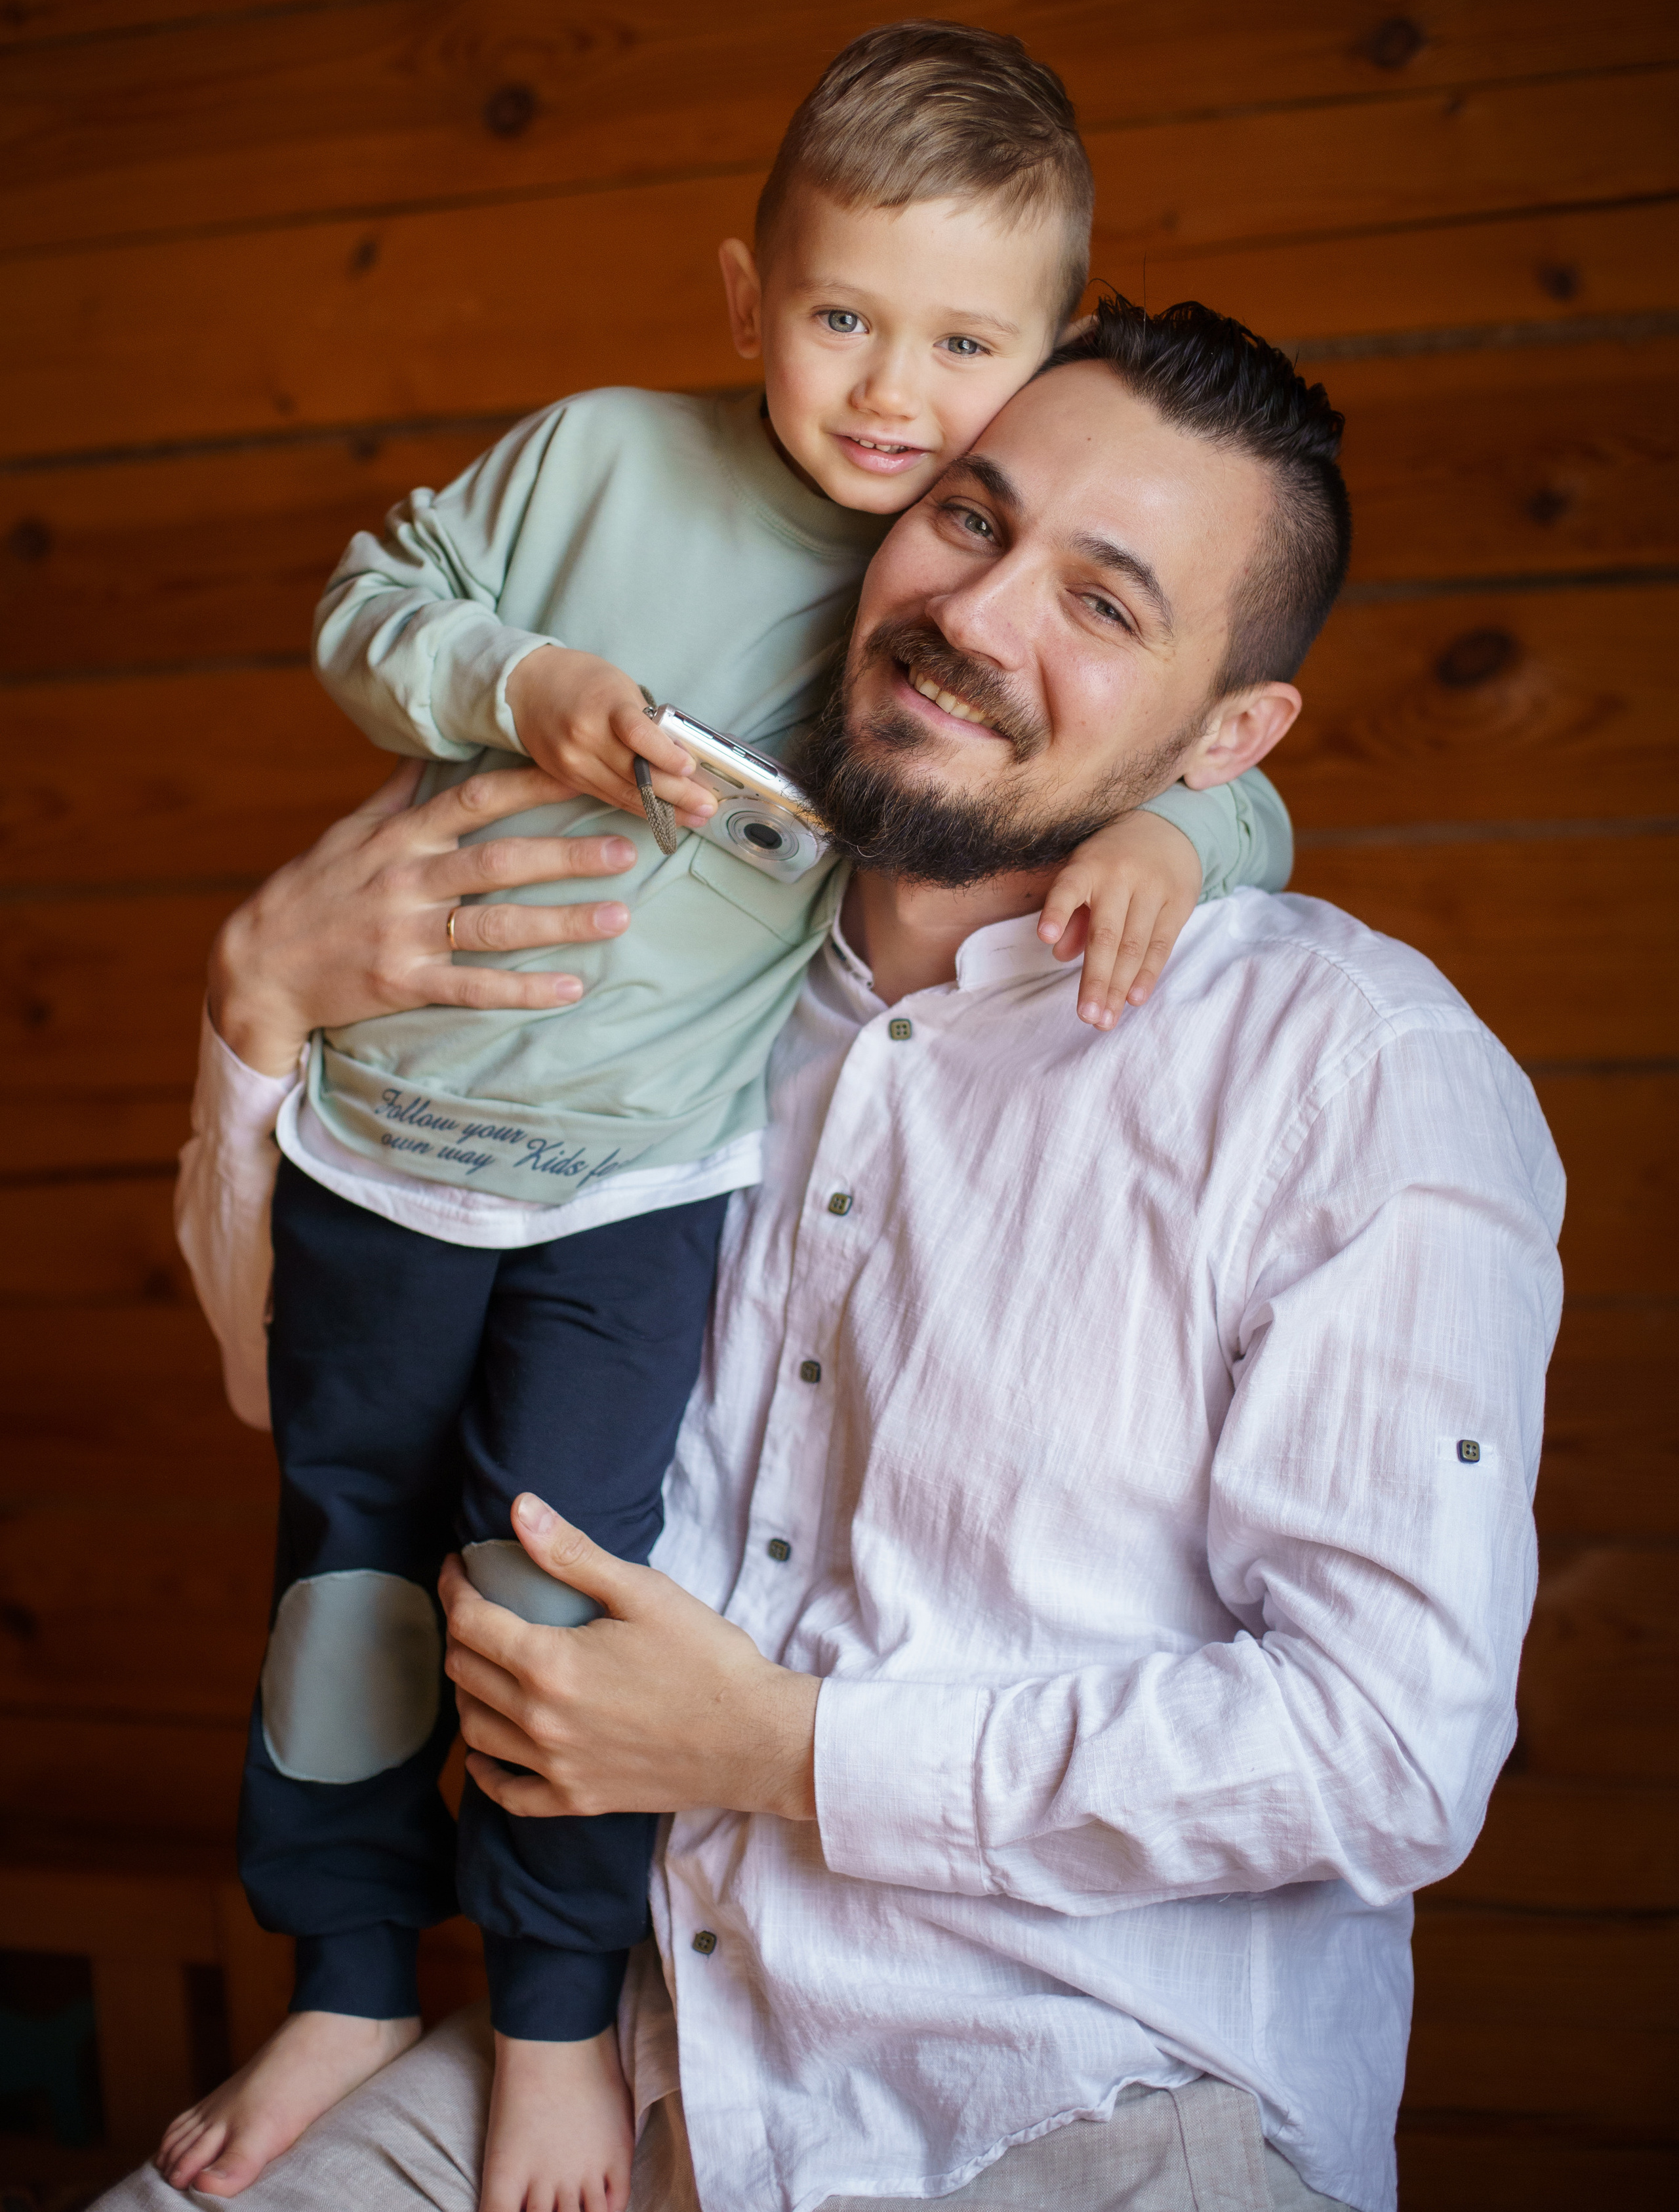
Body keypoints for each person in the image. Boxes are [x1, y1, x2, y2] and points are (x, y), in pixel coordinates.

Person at [106, 293, 1562, 2212]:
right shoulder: (657, 970)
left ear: (1231, 735)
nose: (981, 615)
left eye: (1102, 603)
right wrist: (258, 1016)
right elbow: (291, 1387)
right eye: (970, 517)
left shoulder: (1349, 1070)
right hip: (617, 2058)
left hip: (1104, 2103)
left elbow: (1388, 1750)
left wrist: (791, 1753)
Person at [195, 29, 1292, 2207]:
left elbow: (1201, 759)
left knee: (559, 1586)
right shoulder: (603, 461)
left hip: (637, 1186)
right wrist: (521, 683)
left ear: (1050, 350)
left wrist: (1187, 843)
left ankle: (550, 2013)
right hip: (385, 1130)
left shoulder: (947, 603)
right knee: (344, 1573)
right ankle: (343, 1968)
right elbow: (371, 601)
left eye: (965, 345)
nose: (893, 394)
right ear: (745, 297)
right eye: (840, 319)